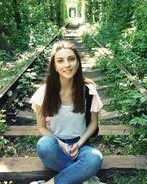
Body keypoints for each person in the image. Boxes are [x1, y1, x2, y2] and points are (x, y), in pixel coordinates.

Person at [29, 40, 104, 184]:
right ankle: (86, 178)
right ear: (55, 66)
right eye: (60, 61)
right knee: (44, 145)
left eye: (71, 59)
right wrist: (61, 144)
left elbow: (94, 124)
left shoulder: (88, 91)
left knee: (95, 158)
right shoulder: (43, 93)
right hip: (56, 146)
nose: (67, 65)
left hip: (80, 145)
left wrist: (80, 143)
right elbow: (41, 127)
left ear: (77, 63)